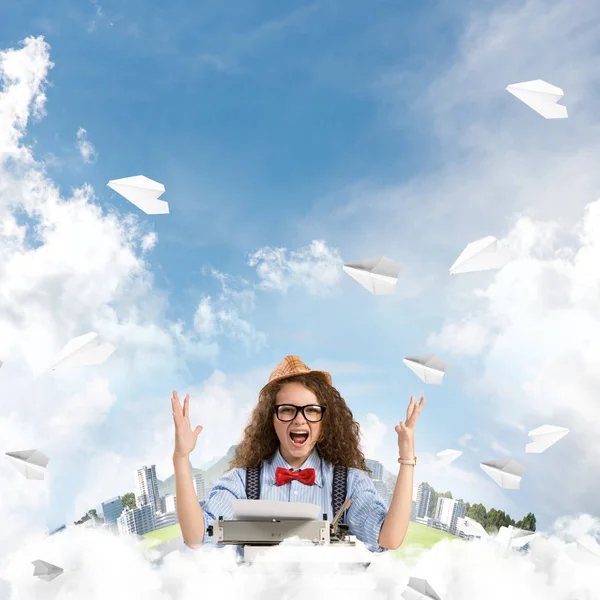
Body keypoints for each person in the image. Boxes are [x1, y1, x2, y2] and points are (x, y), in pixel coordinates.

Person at [171, 355, 424, 558]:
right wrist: (181, 458)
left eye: (311, 410)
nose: (300, 419)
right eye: (288, 410)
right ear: (271, 419)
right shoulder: (241, 483)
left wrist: (407, 459)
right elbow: (196, 537)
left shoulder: (348, 484)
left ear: (325, 420)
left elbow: (388, 538)